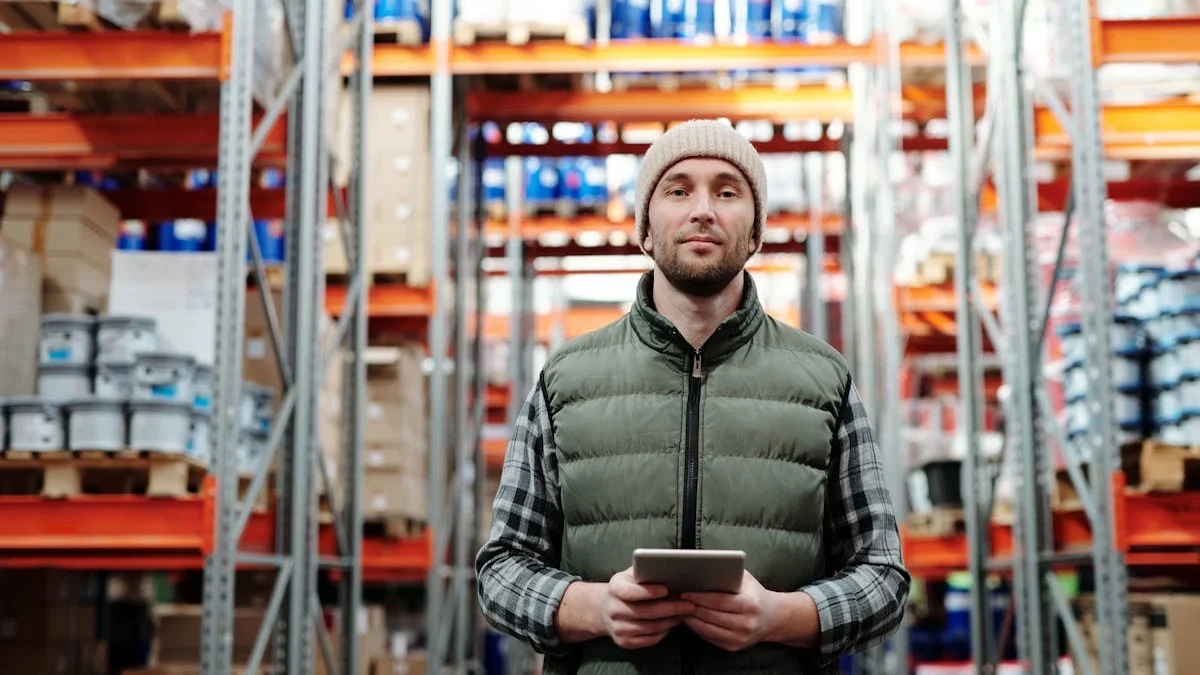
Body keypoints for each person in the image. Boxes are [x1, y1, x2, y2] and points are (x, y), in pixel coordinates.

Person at [476, 119, 910, 673]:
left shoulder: (824, 380)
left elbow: (883, 575)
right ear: (646, 230)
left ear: (754, 233)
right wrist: (593, 608)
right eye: (678, 190)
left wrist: (780, 616)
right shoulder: (565, 380)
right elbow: (502, 568)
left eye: (727, 192)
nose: (702, 209)